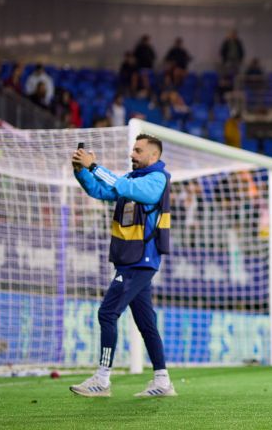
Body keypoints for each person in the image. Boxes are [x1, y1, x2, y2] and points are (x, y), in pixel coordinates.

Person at [70, 134, 177, 398]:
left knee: (107, 313)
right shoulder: (131, 180)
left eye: (138, 150)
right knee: (146, 323)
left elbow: (126, 189)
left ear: (153, 156)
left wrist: (94, 166)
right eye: (133, 150)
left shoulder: (157, 180)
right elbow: (100, 190)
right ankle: (162, 381)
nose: (133, 154)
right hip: (131, 259)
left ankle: (103, 379)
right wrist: (81, 172)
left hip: (141, 261)